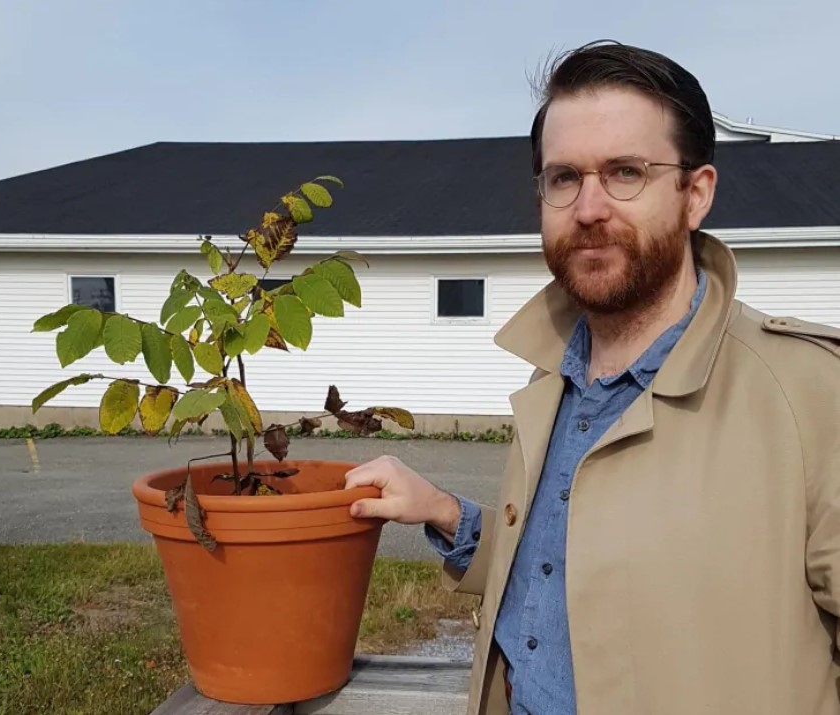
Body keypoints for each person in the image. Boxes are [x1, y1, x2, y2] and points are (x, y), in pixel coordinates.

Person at [344, 40, 840, 715]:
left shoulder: (809, 392)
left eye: (625, 172)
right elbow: (564, 573)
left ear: (695, 194)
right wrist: (445, 512)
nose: (587, 207)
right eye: (563, 177)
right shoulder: (552, 376)